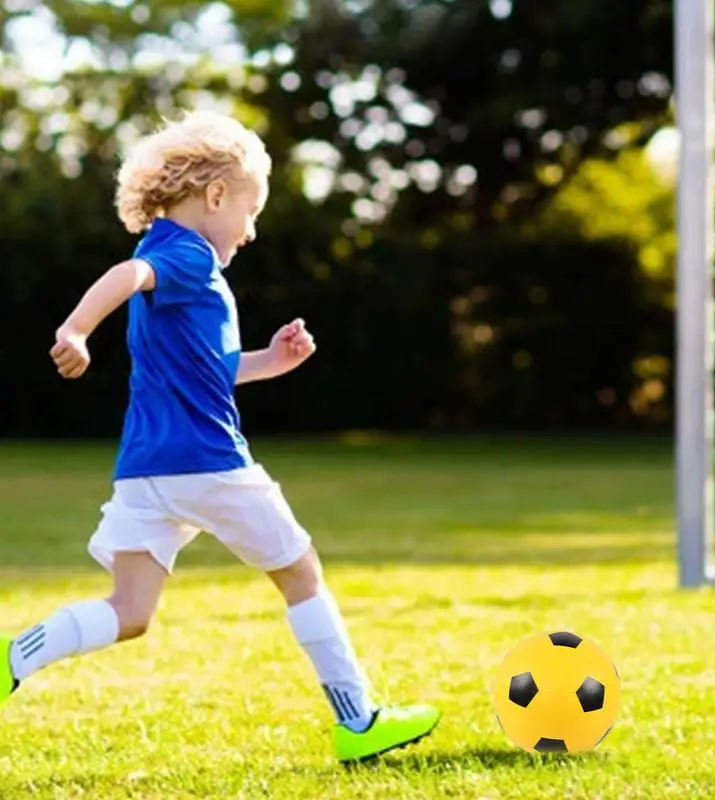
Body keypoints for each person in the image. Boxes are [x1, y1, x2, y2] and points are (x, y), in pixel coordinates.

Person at [0, 110, 440, 763]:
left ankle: (13, 657)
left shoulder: (171, 256)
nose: (253, 230)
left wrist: (270, 360)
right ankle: (359, 721)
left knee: (130, 612)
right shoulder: (185, 253)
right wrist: (75, 329)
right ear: (214, 195)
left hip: (146, 471)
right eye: (251, 210)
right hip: (208, 463)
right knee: (301, 572)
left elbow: (210, 371)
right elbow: (126, 277)